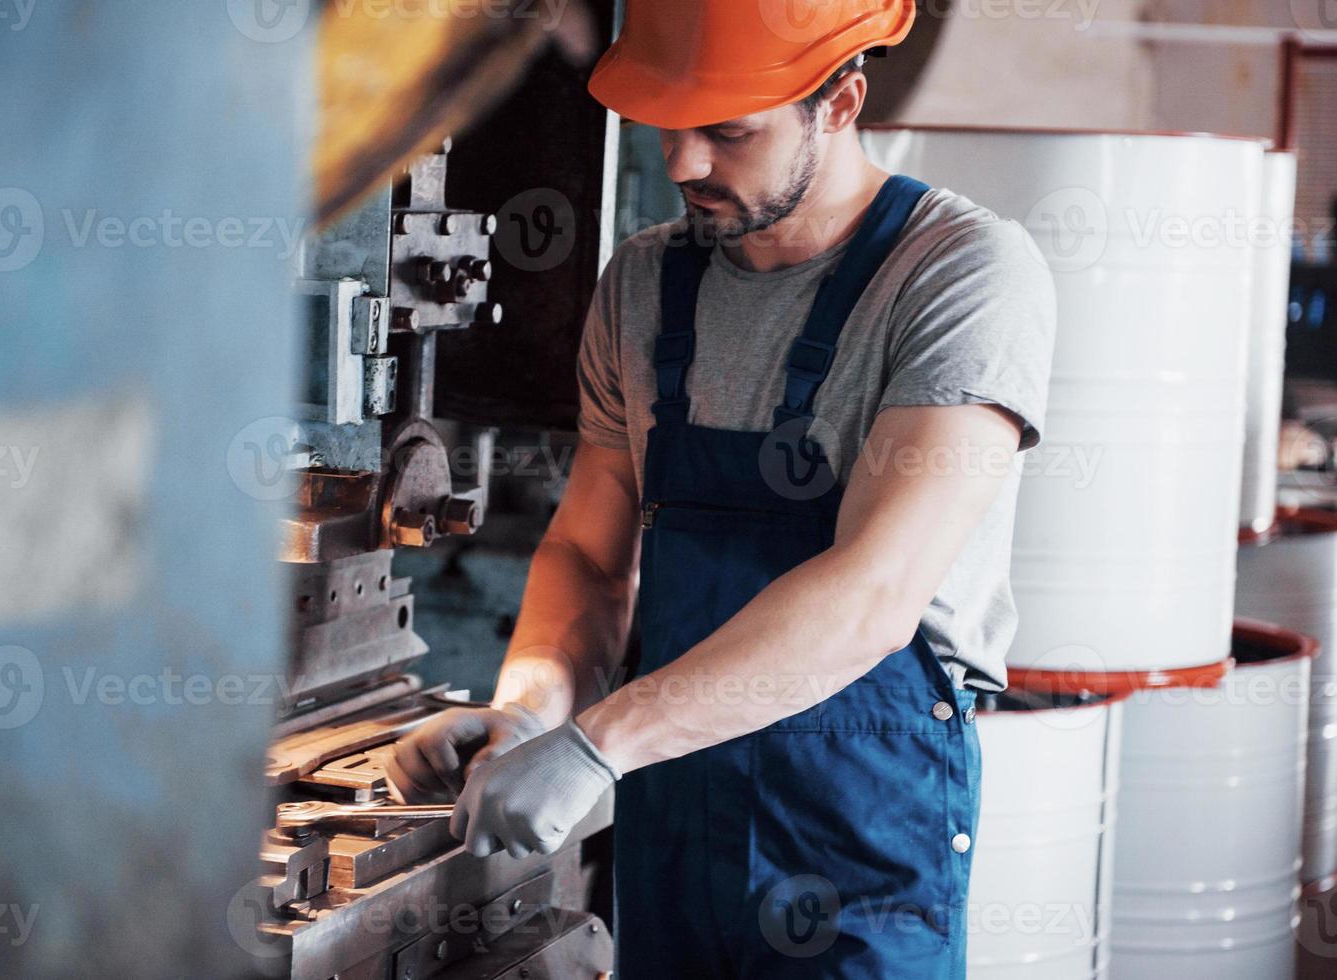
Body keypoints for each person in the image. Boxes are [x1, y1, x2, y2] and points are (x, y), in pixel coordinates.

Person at [387, 1, 1057, 975]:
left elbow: (872, 594)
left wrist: (593, 746)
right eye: (669, 123)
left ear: (841, 103)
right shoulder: (643, 282)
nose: (682, 164)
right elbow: (587, 551)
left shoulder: (957, 276)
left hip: (851, 849)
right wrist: (530, 713)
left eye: (728, 130)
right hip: (670, 826)